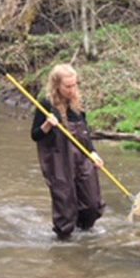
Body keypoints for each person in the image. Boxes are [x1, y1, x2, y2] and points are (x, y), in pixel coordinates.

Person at [31, 63, 105, 240]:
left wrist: (93, 152)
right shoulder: (46, 104)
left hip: (82, 157)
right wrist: (47, 124)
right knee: (65, 205)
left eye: (75, 85)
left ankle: (84, 233)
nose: (73, 89)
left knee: (93, 204)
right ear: (57, 86)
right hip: (58, 160)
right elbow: (35, 136)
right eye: (68, 86)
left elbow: (85, 132)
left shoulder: (77, 104)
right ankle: (64, 242)